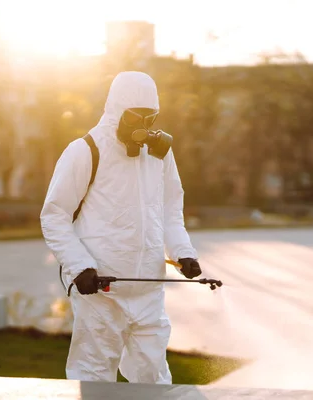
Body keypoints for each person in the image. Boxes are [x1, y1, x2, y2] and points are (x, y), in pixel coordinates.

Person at [40, 71, 201, 384]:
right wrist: (80, 266)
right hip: (100, 291)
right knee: (93, 376)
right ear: (116, 111)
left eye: (149, 117)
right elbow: (54, 215)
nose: (142, 125)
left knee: (153, 379)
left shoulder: (160, 154)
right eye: (134, 116)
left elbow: (169, 211)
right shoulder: (85, 150)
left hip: (148, 290)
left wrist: (183, 252)